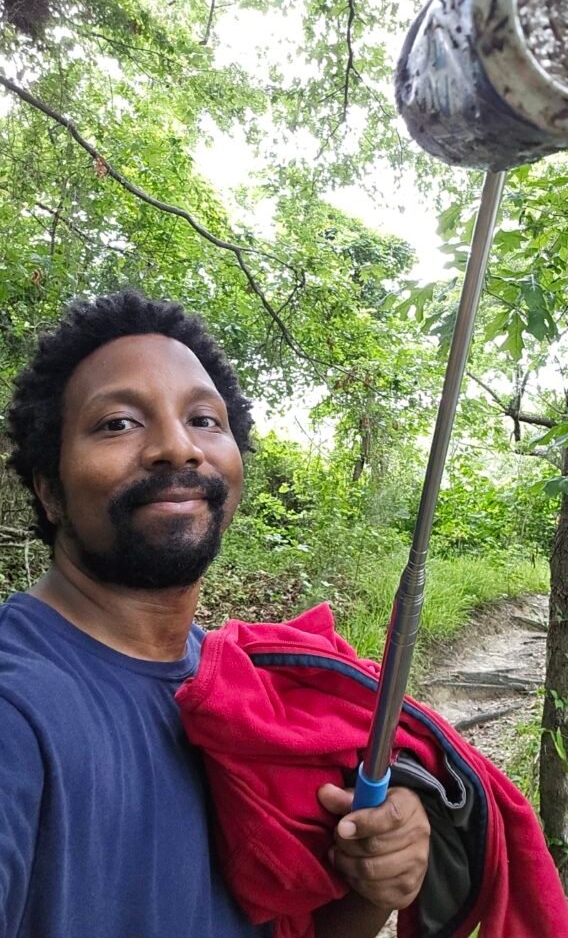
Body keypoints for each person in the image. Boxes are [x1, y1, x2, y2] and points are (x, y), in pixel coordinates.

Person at [1, 290, 431, 938]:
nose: (178, 448)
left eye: (204, 419)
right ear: (49, 489)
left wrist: (374, 882)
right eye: (118, 423)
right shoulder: (16, 713)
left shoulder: (235, 692)